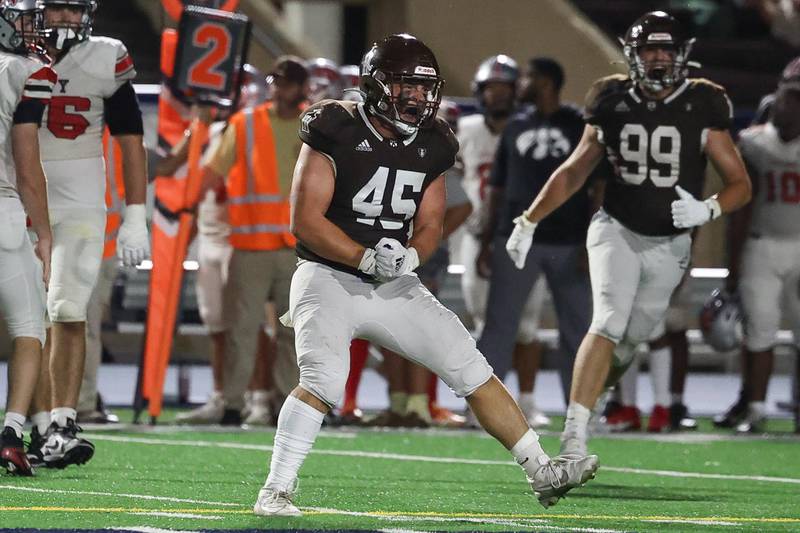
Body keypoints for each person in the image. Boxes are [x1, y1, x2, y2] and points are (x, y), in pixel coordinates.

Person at [253, 33, 598, 517]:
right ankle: (275, 489)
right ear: (374, 85)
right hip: (328, 275)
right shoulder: (334, 125)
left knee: (470, 366)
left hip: (392, 282)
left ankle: (542, 470)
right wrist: (364, 257)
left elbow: (432, 222)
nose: (416, 97)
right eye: (403, 86)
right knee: (324, 378)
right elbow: (305, 220)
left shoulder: (435, 140)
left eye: (423, 87)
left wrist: (411, 258)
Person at [505, 11, 751, 458]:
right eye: (649, 49)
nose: (658, 58)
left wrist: (708, 208)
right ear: (633, 54)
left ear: (681, 55)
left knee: (633, 339)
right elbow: (576, 169)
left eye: (666, 49)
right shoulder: (610, 97)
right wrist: (529, 219)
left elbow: (740, 184)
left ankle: (596, 389)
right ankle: (574, 437)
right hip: (615, 227)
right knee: (608, 322)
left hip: (670, 241)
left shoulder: (704, 101)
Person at [27, 0, 149, 469]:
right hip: (22, 195)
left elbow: (131, 139)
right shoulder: (14, 57)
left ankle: (62, 421)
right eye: (55, 10)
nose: (65, 20)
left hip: (81, 200)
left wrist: (135, 212)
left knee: (69, 310)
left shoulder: (105, 54)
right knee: (28, 318)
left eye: (73, 11)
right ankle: (31, 423)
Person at [477, 57, 599, 419]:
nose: (522, 84)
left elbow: (598, 186)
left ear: (545, 82)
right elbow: (497, 187)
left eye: (528, 77)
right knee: (499, 325)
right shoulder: (514, 126)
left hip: (569, 239)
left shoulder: (579, 124)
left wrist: (591, 239)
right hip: (517, 238)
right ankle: (484, 408)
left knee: (578, 329)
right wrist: (487, 238)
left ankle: (580, 409)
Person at [200, 56, 308, 424]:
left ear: (301, 87)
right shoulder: (245, 123)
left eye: (287, 82)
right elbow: (213, 171)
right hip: (251, 247)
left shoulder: (315, 125)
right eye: (276, 81)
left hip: (296, 248)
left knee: (291, 334)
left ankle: (285, 405)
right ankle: (233, 404)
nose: (279, 88)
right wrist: (182, 206)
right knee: (242, 331)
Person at [721, 70, 800, 433]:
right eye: (790, 97)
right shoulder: (753, 143)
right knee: (759, 331)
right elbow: (739, 207)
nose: (793, 107)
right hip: (762, 244)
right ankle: (754, 408)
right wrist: (732, 264)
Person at [0, 0, 55, 476]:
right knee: (29, 328)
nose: (28, 28)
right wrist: (44, 232)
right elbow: (27, 165)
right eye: (20, 19)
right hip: (1, 211)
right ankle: (13, 431)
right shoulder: (25, 71)